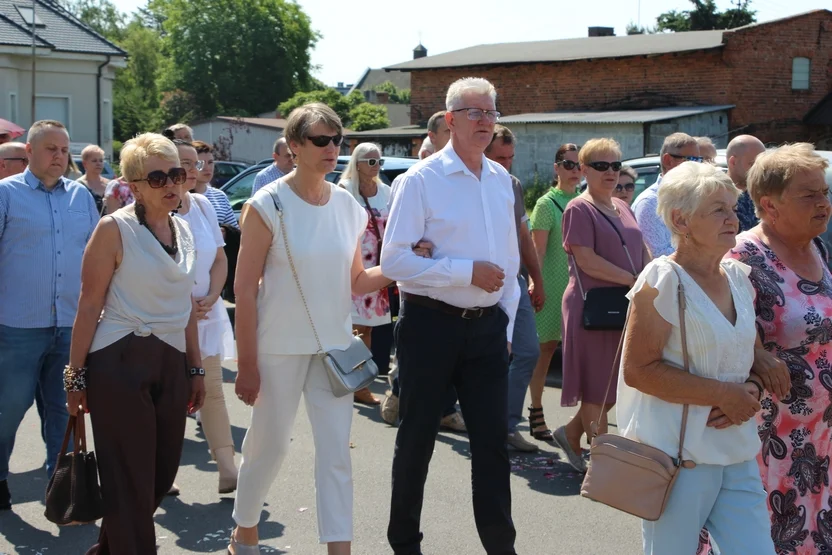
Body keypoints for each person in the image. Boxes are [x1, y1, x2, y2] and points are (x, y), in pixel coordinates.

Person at [230, 103, 392, 555]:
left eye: (337, 140)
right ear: (295, 146)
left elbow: (357, 281)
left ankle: (339, 549)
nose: (332, 148)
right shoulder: (267, 205)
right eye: (321, 140)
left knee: (337, 454)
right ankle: (244, 529)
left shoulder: (347, 206)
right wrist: (246, 364)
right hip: (278, 347)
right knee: (270, 445)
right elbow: (244, 291)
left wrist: (401, 266)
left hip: (335, 349)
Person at [383, 77, 520, 555]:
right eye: (475, 112)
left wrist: (503, 318)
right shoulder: (419, 180)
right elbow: (395, 261)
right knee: (417, 438)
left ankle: (501, 546)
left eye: (491, 112)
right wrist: (465, 272)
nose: (485, 122)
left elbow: (510, 261)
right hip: (429, 325)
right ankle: (405, 544)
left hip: (486, 331)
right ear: (450, 120)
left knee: (491, 445)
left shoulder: (502, 181)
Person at [619, 161, 781, 554]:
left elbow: (749, 353)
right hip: (678, 458)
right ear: (681, 220)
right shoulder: (661, 279)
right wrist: (723, 395)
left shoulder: (738, 277)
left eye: (732, 206)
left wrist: (754, 385)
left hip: (737, 451)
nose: (733, 217)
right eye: (718, 209)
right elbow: (639, 371)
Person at [65, 132, 205, 554]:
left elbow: (186, 307)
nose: (171, 185)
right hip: (119, 362)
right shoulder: (114, 229)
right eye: (157, 177)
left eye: (176, 174)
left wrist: (196, 369)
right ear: (135, 185)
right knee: (129, 479)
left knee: (159, 476)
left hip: (171, 363)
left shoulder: (183, 229)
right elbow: (88, 306)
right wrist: (74, 380)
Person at [725, 143, 832, 553]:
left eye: (824, 192)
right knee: (771, 534)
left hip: (820, 435)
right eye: (809, 195)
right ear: (769, 205)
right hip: (772, 436)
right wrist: (757, 352)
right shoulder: (742, 256)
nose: (823, 203)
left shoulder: (818, 248)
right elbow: (724, 329)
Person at [0, 120, 98, 511]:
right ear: (29, 152)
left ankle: (59, 486)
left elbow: (96, 257)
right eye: (50, 149)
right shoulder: (6, 194)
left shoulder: (81, 197)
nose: (59, 156)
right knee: (8, 409)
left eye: (63, 150)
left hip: (70, 326)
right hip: (18, 326)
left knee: (64, 410)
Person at [557, 137, 650, 472]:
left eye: (615, 165)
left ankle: (570, 433)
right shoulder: (578, 208)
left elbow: (640, 249)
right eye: (601, 166)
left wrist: (653, 276)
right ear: (583, 170)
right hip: (593, 308)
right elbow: (587, 261)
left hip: (624, 304)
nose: (610, 172)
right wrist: (633, 280)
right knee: (598, 384)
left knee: (613, 385)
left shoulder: (622, 205)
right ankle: (602, 463)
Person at [380, 106, 467, 434]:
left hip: (452, 295)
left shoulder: (469, 181)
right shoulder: (412, 180)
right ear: (434, 135)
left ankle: (444, 408)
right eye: (448, 133)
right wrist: (415, 251)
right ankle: (397, 394)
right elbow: (398, 244)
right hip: (417, 289)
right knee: (410, 352)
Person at [173, 140, 238, 494]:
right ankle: (163, 472)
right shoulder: (148, 211)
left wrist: (213, 296)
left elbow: (220, 259)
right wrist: (183, 302)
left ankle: (228, 468)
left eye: (193, 163)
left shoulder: (202, 206)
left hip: (205, 316)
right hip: (166, 320)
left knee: (211, 392)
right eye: (181, 162)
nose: (188, 170)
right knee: (166, 397)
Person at [485, 125, 544, 453]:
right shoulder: (469, 184)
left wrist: (536, 277)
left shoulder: (512, 185)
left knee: (528, 351)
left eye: (511, 158)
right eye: (500, 157)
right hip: (476, 282)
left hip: (514, 282)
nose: (506, 164)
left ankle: (506, 425)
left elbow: (524, 237)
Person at [527, 143, 581, 442]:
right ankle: (535, 409)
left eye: (578, 165)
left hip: (578, 290)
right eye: (568, 164)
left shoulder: (586, 201)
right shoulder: (547, 204)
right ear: (556, 167)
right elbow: (537, 250)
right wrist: (537, 284)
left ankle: (584, 419)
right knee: (545, 350)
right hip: (551, 285)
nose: (574, 171)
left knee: (579, 352)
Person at [340, 142, 392, 406]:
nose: (376, 166)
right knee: (350, 329)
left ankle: (359, 384)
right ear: (357, 163)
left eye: (379, 162)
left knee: (366, 329)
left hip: (376, 271)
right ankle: (348, 382)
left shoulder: (386, 192)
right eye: (371, 161)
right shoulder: (344, 191)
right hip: (350, 267)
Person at [632, 133, 701, 257]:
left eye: (699, 160)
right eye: (691, 160)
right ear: (668, 160)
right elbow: (658, 255)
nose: (697, 166)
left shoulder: (694, 199)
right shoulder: (649, 203)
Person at [190, 140, 239, 230]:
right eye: (201, 163)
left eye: (210, 162)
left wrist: (225, 232)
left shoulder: (220, 196)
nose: (207, 168)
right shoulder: (182, 196)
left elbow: (235, 233)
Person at [726, 134, 766, 233]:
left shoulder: (761, 194)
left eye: (762, 165)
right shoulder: (717, 195)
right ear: (733, 162)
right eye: (752, 164)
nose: (759, 170)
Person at [76, 144, 108, 214]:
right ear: (84, 164)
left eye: (101, 160)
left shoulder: (110, 184)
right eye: (94, 161)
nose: (98, 163)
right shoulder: (78, 186)